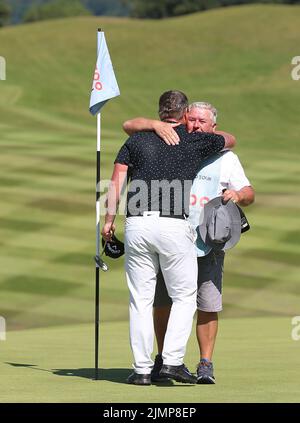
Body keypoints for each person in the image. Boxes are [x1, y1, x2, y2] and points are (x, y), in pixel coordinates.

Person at [101, 91, 235, 386]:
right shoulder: (195, 140)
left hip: (136, 225)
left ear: (159, 112)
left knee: (140, 300)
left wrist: (108, 222)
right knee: (184, 297)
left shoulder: (135, 140)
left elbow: (115, 183)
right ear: (186, 114)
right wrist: (188, 128)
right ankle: (172, 363)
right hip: (173, 227)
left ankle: (142, 370)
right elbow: (230, 139)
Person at [125, 102, 254, 384]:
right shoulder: (172, 142)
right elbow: (129, 126)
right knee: (162, 302)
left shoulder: (226, 158)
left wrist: (237, 195)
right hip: (171, 236)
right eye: (191, 119)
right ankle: (164, 359)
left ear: (213, 127)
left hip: (207, 238)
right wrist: (156, 124)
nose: (195, 125)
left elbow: (249, 191)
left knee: (207, 303)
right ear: (183, 120)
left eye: (202, 121)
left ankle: (205, 362)